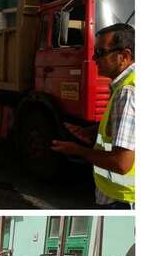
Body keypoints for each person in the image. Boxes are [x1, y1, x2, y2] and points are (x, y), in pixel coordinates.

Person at [51, 23, 134, 209]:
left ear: (124, 56)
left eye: (100, 52)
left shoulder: (128, 92)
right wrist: (91, 131)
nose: (94, 58)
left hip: (122, 199)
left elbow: (122, 163)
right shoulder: (126, 85)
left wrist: (78, 150)